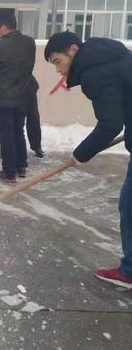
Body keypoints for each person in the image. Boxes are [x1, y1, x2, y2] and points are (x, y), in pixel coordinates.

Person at [45, 31, 132, 289]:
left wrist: (80, 154)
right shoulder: (116, 57)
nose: (59, 71)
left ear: (73, 50)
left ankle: (129, 271)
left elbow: (109, 124)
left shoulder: (96, 73)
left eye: (58, 61)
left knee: (129, 207)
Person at [0, 14, 37, 183]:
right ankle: (21, 166)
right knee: (19, 131)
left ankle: (9, 172)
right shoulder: (29, 43)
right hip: (24, 95)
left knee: (7, 134)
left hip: (3, 98)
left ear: (3, 27)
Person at [0, 39, 44, 159]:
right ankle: (9, 152)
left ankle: (36, 146)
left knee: (32, 118)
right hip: (13, 94)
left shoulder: (1, 54)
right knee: (12, 125)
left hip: (28, 90)